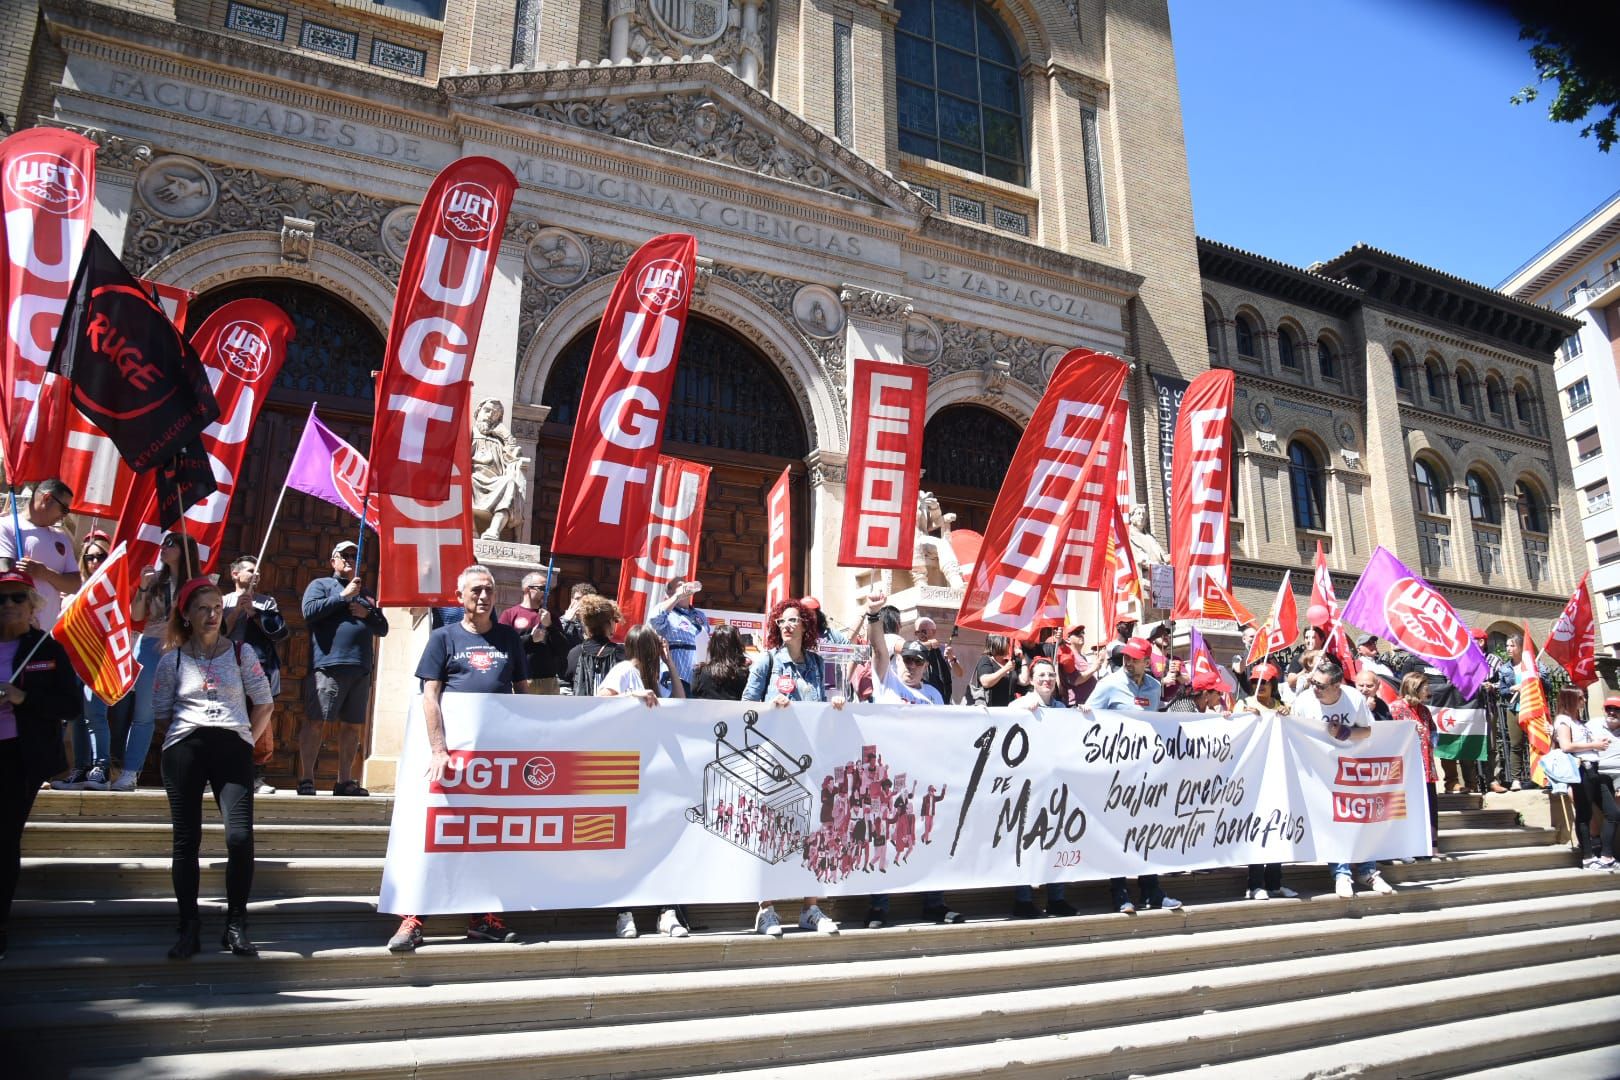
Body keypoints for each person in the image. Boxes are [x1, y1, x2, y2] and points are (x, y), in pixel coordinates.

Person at [389, 565, 531, 953]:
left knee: (490, 840)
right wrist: (439, 750)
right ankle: (415, 917)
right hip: (451, 759)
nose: (483, 597)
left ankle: (484, 917)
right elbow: (430, 696)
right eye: (475, 591)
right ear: (460, 596)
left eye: (488, 590)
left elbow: (524, 695)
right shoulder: (442, 638)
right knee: (438, 836)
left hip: (497, 763)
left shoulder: (509, 640)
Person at [154, 577, 274, 959]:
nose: (211, 616)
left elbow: (265, 702)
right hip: (185, 747)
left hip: (232, 747)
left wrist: (246, 740)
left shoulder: (241, 653)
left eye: (217, 609)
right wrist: (184, 736)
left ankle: (236, 924)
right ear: (186, 615)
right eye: (203, 609)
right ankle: (188, 924)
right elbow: (161, 714)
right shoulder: (171, 658)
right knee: (185, 841)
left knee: (239, 837)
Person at [862, 589, 962, 927]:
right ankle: (879, 906)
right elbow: (877, 647)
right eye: (907, 659)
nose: (912, 665)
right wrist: (874, 615)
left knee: (928, 837)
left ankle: (934, 902)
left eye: (918, 661)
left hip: (924, 777)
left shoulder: (933, 694)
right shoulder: (886, 681)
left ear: (925, 665)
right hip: (888, 775)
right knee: (883, 838)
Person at [0, 569, 81, 960]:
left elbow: (71, 706)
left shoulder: (46, 649)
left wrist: (22, 698)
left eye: (18, 598)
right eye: (1, 599)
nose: (9, 606)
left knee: (4, 838)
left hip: (21, 756)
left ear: (33, 606)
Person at [1088, 637, 1181, 912]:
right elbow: (1086, 718)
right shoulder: (1108, 685)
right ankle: (1120, 893)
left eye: (1134, 659)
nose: (1128, 662)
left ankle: (1152, 890)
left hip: (1146, 772)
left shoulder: (1153, 687)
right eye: (1126, 657)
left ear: (1146, 661)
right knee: (1117, 832)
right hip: (1116, 773)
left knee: (1146, 832)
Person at [1291, 657, 1394, 899]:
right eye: (1313, 682)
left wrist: (1346, 733)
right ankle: (1342, 873)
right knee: (1334, 822)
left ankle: (1368, 871)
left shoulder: (1354, 698)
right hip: (1319, 771)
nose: (1314, 688)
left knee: (1361, 819)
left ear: (1337, 686)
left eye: (1321, 686)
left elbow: (1369, 731)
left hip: (1351, 768)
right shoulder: (1304, 701)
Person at [299, 541, 389, 797]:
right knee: (316, 721)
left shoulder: (366, 593)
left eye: (353, 555)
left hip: (360, 668)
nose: (349, 559)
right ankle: (306, 778)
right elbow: (309, 612)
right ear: (333, 561)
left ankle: (345, 780)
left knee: (353, 725)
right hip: (329, 665)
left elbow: (382, 628)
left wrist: (366, 613)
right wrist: (342, 597)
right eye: (344, 555)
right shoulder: (320, 586)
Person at [123, 532, 202, 793]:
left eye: (170, 544)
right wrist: (144, 587)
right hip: (149, 646)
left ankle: (191, 775)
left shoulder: (196, 583)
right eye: (163, 543)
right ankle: (129, 772)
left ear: (184, 549)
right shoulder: (155, 580)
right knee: (143, 713)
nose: (163, 548)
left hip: (182, 652)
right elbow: (136, 614)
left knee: (186, 714)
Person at [1010, 656, 1080, 917]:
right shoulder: (1019, 705)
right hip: (1028, 787)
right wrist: (1019, 714)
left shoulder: (1062, 708)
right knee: (1026, 841)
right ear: (1031, 679)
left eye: (1050, 675)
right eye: (1041, 676)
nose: (1047, 680)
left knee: (1057, 840)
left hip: (1057, 787)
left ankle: (1056, 897)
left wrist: (1083, 715)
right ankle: (1023, 898)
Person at [223, 556, 288, 796]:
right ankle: (221, 772)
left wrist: (254, 613)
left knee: (258, 722)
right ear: (235, 574)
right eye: (251, 570)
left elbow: (279, 632)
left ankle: (254, 776)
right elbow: (218, 632)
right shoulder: (222, 601)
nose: (256, 574)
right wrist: (236, 610)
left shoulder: (267, 602)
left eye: (259, 570)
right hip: (227, 669)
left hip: (259, 669)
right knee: (226, 721)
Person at [55, 531, 113, 791]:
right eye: (89, 557)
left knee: (95, 715)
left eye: (101, 557)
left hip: (99, 662)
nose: (95, 562)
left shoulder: (113, 591)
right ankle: (80, 767)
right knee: (76, 716)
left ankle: (101, 767)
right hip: (73, 662)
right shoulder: (73, 592)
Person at [1238, 663, 1299, 900]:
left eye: (1264, 682)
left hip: (1279, 775)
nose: (1259, 686)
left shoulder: (1283, 708)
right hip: (1252, 777)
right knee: (1257, 829)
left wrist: (1289, 716)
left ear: (1273, 685)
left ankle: (1274, 882)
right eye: (1255, 681)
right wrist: (1243, 718)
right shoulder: (1244, 705)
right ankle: (1255, 884)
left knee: (1278, 827)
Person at [0, 479, 82, 629]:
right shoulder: (7, 526)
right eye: (64, 509)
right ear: (47, 498)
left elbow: (75, 585)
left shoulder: (62, 538)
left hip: (44, 635)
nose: (64, 516)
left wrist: (45, 573)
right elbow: (5, 574)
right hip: (12, 630)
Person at [1552, 687, 1607, 867]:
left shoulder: (1579, 721)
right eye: (1581, 698)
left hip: (1593, 768)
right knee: (1584, 813)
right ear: (1570, 700)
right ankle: (1588, 856)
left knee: (1609, 812)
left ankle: (1603, 853)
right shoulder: (1563, 720)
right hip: (1580, 768)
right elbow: (1566, 746)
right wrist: (1594, 744)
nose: (1584, 701)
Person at [1388, 672, 1440, 854]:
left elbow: (1434, 732)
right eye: (1425, 687)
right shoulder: (1395, 708)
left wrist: (1432, 740)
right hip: (1407, 768)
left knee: (1430, 805)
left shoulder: (1424, 710)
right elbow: (1389, 735)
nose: (1428, 690)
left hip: (1426, 764)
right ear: (1414, 688)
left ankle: (1431, 844)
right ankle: (1410, 846)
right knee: (1409, 807)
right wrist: (1408, 730)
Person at [498, 570, 566, 695]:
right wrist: (530, 639)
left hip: (548, 681)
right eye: (542, 588)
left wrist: (550, 626)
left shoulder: (550, 616)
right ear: (526, 589)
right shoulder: (510, 614)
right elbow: (502, 645)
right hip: (520, 679)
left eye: (548, 589)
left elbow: (562, 649)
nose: (546, 593)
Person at [649, 579, 708, 694]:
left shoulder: (700, 615)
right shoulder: (666, 611)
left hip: (699, 680)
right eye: (680, 586)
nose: (685, 587)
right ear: (669, 593)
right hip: (676, 678)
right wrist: (677, 596)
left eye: (685, 584)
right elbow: (655, 620)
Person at [563, 594, 624, 696]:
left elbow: (565, 685)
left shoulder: (574, 653)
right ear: (609, 622)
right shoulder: (621, 652)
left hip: (582, 709)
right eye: (615, 620)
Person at [1591, 696, 1620, 871]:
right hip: (1599, 772)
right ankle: (1598, 846)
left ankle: (1606, 852)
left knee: (1615, 812)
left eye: (1616, 709)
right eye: (1609, 708)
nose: (1612, 712)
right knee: (1611, 813)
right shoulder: (1593, 725)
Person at [690, 624, 749, 700]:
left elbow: (694, 693)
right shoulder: (744, 673)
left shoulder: (700, 672)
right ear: (737, 646)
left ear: (712, 646)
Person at [910, 616, 962, 704]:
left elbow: (959, 673)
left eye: (923, 631)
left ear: (933, 632)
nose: (920, 634)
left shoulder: (942, 649)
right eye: (917, 632)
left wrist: (952, 658)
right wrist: (929, 644)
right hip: (919, 695)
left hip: (940, 696)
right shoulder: (912, 647)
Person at [971, 634, 1019, 707]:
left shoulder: (1009, 663)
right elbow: (986, 682)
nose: (1009, 645)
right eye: (1008, 642)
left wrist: (1023, 658)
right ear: (999, 643)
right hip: (991, 710)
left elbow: (1023, 682)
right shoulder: (986, 660)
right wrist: (1005, 669)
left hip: (1009, 709)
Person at [556, 582, 599, 654]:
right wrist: (566, 621)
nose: (580, 603)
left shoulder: (596, 624)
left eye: (585, 600)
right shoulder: (561, 621)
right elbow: (556, 643)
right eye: (577, 599)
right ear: (571, 600)